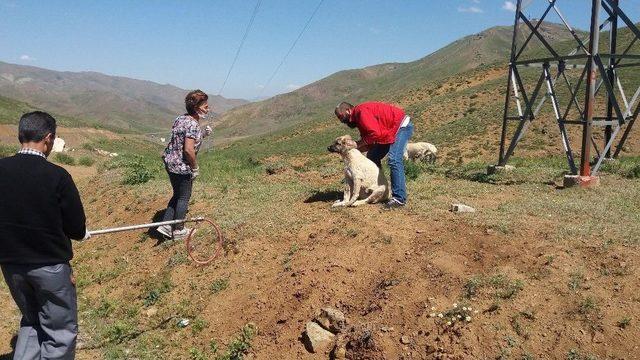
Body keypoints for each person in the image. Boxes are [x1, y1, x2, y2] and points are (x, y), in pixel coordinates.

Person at [0, 111, 89, 359]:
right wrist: (83, 233)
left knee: (31, 320)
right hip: (49, 267)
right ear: (48, 138)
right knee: (59, 331)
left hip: (11, 266)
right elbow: (76, 229)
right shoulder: (58, 176)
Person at [334, 101, 414, 209]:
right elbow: (369, 142)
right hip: (388, 132)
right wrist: (352, 149)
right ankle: (379, 188)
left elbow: (374, 134)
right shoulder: (358, 119)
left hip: (400, 127)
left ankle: (399, 199)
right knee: (373, 156)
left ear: (348, 110)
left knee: (394, 159)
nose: (341, 121)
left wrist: (357, 144)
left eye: (341, 116)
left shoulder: (361, 112)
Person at [157, 90, 212, 239]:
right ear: (196, 108)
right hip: (182, 166)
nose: (208, 109)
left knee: (177, 194)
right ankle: (179, 229)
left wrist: (202, 134)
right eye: (205, 107)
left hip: (170, 162)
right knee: (184, 197)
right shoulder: (193, 124)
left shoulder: (180, 118)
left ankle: (166, 225)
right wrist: (195, 167)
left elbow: (183, 138)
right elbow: (188, 150)